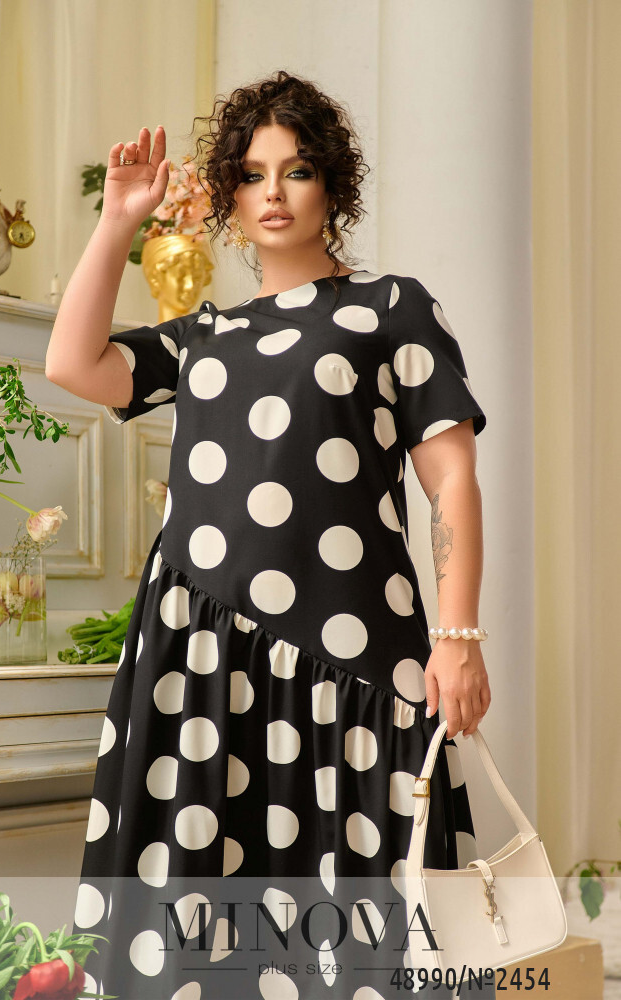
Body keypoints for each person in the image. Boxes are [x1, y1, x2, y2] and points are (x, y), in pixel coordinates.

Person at [46, 70, 492, 1000]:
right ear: (230, 194)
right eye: (251, 175)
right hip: (202, 655)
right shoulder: (204, 335)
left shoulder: (393, 308)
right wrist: (118, 221)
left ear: (332, 183)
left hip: (353, 659)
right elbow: (72, 363)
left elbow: (450, 478)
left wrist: (458, 635)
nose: (274, 193)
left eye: (296, 170)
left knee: (368, 920)